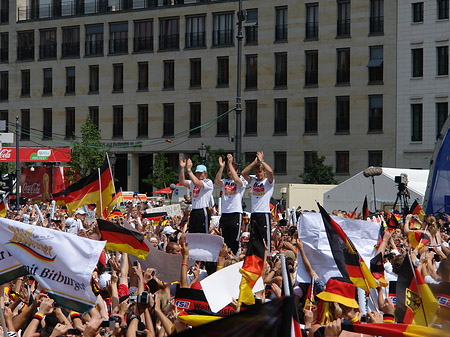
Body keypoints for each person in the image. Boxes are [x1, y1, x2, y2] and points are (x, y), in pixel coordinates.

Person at [214, 153, 247, 254]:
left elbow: (236, 179)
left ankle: (235, 256)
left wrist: (230, 163)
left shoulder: (242, 181)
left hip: (235, 213)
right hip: (225, 213)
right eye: (228, 171)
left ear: (236, 170)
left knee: (234, 240)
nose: (229, 173)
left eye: (231, 170)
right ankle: (225, 257)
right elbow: (216, 182)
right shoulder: (225, 181)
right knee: (224, 239)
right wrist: (221, 167)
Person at [242, 151, 274, 250]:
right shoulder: (253, 181)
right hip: (254, 213)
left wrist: (262, 161)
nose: (258, 174)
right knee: (254, 238)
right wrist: (254, 163)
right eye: (256, 172)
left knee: (265, 239)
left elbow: (271, 172)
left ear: (263, 172)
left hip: (263, 213)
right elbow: (243, 173)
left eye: (260, 172)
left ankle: (267, 257)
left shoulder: (267, 182)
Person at [179, 157, 213, 233]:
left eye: (201, 172)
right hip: (194, 210)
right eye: (197, 172)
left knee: (203, 233)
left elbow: (198, 183)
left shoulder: (208, 182)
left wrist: (189, 170)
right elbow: (182, 181)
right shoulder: (193, 182)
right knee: (192, 233)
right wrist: (182, 168)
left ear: (205, 173)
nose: (199, 174)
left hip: (202, 210)